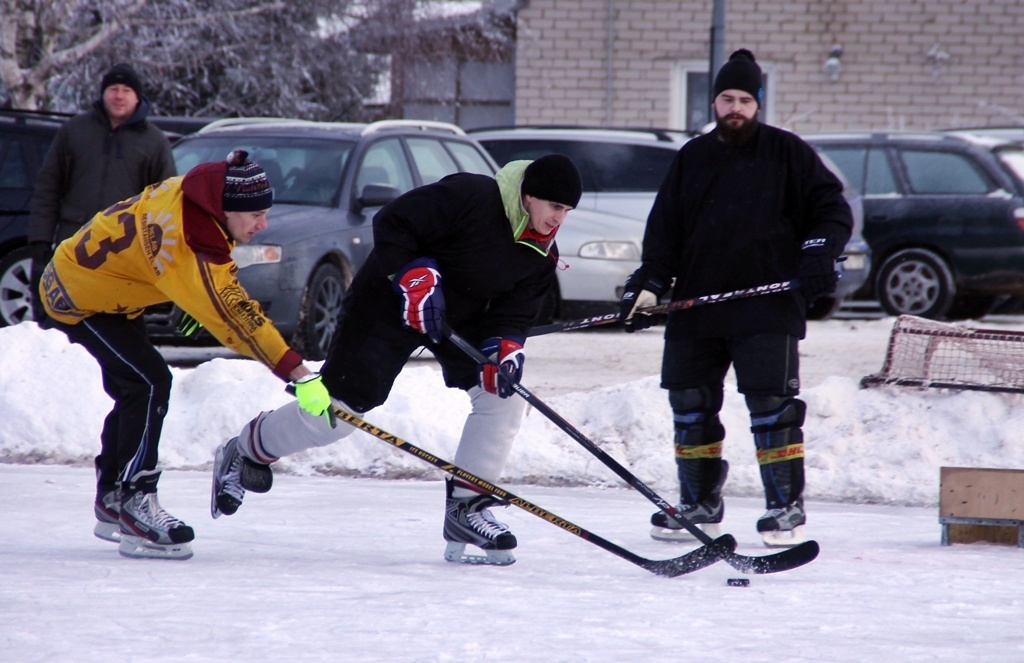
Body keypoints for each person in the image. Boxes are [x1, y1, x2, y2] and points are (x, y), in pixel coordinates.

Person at [210, 154, 584, 566]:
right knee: (335, 415)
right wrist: (415, 274)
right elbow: (394, 221)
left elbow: (513, 313)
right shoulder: (472, 196)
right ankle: (247, 448)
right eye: (554, 207)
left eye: (566, 211)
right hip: (388, 302)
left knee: (502, 396)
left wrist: (505, 347)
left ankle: (468, 507)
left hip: (453, 320)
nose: (558, 219)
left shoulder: (540, 252)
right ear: (528, 196)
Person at [619, 49, 853, 547]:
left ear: (759, 103)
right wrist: (648, 286)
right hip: (698, 306)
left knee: (772, 406)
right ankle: (699, 506)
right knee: (690, 403)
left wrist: (816, 254)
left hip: (767, 305)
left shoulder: (788, 153)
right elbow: (664, 236)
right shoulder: (692, 158)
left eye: (745, 99)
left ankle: (785, 509)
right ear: (714, 102)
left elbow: (831, 211)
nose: (735, 108)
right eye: (727, 98)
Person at [39, 150, 322, 560]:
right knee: (151, 382)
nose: (264, 224)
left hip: (96, 283)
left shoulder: (191, 192)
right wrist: (297, 372)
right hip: (80, 296)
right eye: (255, 214)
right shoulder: (193, 242)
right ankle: (136, 501)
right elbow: (239, 318)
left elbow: (160, 259)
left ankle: (112, 499)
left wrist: (190, 297)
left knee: (135, 388)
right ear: (227, 209)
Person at [29, 62, 176, 323]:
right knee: (62, 332)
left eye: (126, 90)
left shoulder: (153, 141)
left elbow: (166, 204)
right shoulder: (74, 131)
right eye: (113, 89)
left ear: (137, 97)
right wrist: (40, 242)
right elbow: (48, 189)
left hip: (122, 254)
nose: (119, 96)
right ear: (103, 93)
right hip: (71, 247)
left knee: (115, 331)